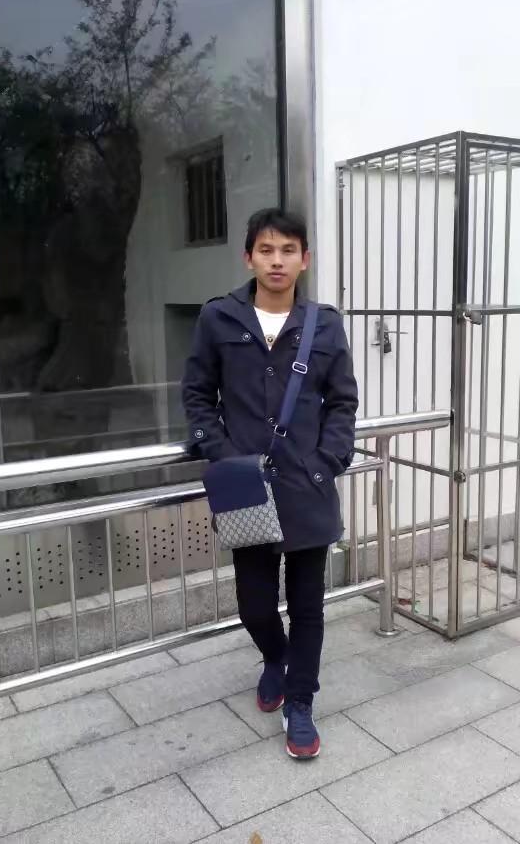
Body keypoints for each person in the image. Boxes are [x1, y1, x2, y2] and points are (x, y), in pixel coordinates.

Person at [182, 208, 358, 759]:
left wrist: (327, 461)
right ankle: (274, 657)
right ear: (249, 257)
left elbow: (343, 402)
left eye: (287, 251)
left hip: (308, 486)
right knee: (254, 606)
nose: (276, 260)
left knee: (308, 607)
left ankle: (300, 702)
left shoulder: (324, 324)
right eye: (266, 250)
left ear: (305, 259)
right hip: (247, 490)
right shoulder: (219, 318)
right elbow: (197, 394)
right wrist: (223, 456)